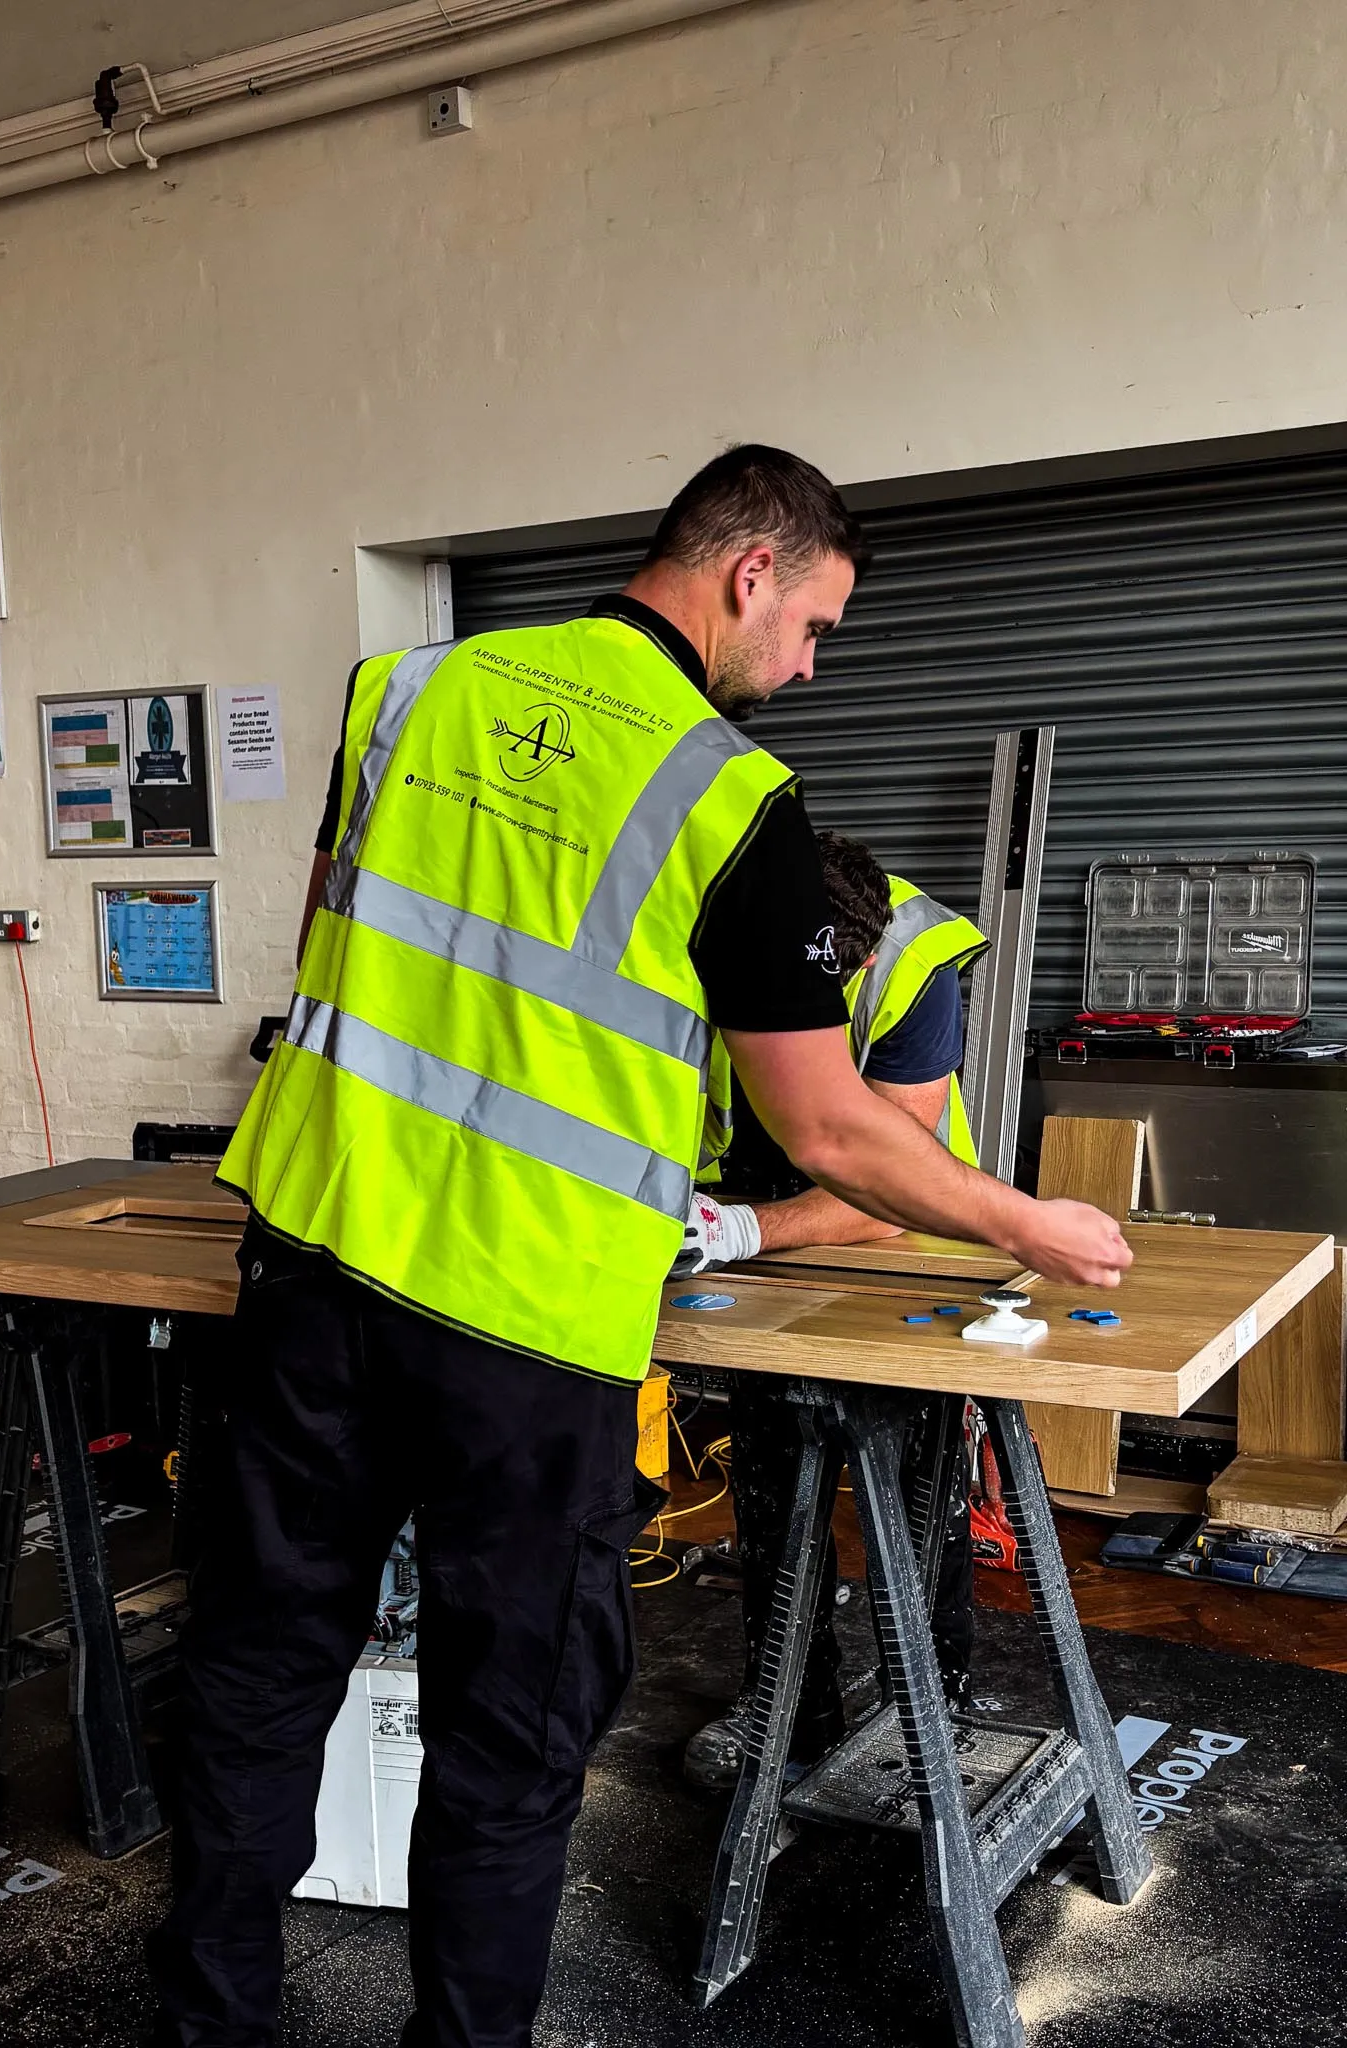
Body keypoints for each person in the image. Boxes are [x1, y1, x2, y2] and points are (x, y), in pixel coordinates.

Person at [149, 444, 1130, 2048]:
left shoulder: (402, 691)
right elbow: (832, 1129)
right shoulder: (729, 797)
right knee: (510, 1740)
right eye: (814, 623)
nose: (809, 664)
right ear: (750, 573)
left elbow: (356, 927)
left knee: (258, 1677)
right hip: (527, 1333)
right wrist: (1029, 1222)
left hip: (316, 1271)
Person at [678, 832, 989, 1789]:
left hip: (908, 1233)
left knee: (921, 1476)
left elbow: (892, 1185)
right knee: (775, 1473)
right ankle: (789, 1709)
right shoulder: (715, 931)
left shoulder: (909, 967)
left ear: (853, 959)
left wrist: (742, 1234)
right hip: (749, 1195)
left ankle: (936, 1703)